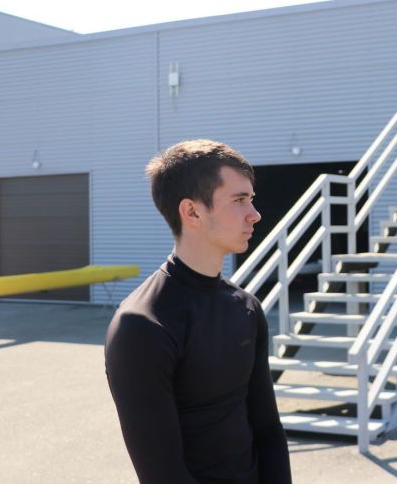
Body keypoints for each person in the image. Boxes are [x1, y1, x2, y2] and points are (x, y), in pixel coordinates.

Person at [105, 139, 291, 484]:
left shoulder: (246, 308)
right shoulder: (142, 325)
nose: (255, 214)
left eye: (251, 199)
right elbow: (163, 475)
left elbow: (268, 430)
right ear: (192, 212)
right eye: (239, 200)